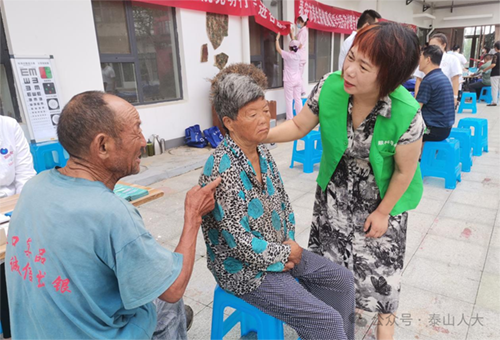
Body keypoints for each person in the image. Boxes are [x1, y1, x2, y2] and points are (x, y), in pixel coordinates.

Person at [5, 91, 221, 339]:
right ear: (103, 146)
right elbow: (173, 288)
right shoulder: (111, 213)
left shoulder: (34, 186)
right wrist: (193, 216)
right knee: (170, 301)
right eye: (136, 131)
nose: (143, 141)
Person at [264, 22, 425, 340]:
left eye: (363, 66)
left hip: (381, 203)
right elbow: (298, 125)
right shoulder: (330, 87)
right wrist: (259, 135)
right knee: (329, 272)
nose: (349, 70)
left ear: (389, 76)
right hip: (334, 198)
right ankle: (331, 328)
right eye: (350, 57)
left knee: (382, 279)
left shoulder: (407, 115)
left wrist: (383, 212)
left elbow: (405, 172)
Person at [200, 64, 355, 340]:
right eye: (252, 114)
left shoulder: (261, 150)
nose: (264, 120)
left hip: (280, 251)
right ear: (229, 122)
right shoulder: (221, 169)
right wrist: (284, 255)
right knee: (327, 320)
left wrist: (290, 244)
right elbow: (239, 243)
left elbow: (283, 205)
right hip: (244, 271)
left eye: (264, 111)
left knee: (341, 280)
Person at [0, 115, 36, 340]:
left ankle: (14, 331)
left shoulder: (8, 125)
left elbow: (25, 176)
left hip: (11, 211)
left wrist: (17, 212)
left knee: (12, 275)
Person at [416, 45, 455, 143]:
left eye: (420, 57)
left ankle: (416, 157)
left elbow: (416, 109)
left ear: (428, 60)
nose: (418, 61)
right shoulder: (443, 77)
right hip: (445, 129)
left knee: (401, 134)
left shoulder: (429, 80)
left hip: (434, 130)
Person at [414, 33, 462, 108]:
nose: (432, 48)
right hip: (426, 94)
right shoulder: (425, 58)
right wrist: (417, 98)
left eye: (435, 45)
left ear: (444, 45)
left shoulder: (452, 59)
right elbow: (419, 79)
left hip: (443, 96)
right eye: (430, 45)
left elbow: (455, 80)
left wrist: (455, 97)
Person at [276, 33, 302, 120]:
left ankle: (290, 119)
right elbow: (298, 44)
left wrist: (277, 38)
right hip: (298, 80)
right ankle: (300, 118)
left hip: (289, 80)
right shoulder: (298, 54)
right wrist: (292, 34)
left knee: (289, 100)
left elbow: (278, 49)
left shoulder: (288, 55)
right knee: (298, 99)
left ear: (289, 47)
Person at [290, 14, 309, 95]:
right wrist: (291, 33)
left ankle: (301, 91)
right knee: (299, 74)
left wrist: (292, 35)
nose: (297, 23)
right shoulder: (302, 31)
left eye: (298, 22)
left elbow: (299, 44)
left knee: (299, 74)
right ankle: (301, 91)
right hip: (301, 56)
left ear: (302, 22)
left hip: (300, 57)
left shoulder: (303, 32)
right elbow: (294, 38)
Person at [482, 41, 500, 106]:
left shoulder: (496, 55)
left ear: (496, 48)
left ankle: (494, 102)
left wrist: (485, 69)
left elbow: (493, 64)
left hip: (495, 74)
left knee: (495, 88)